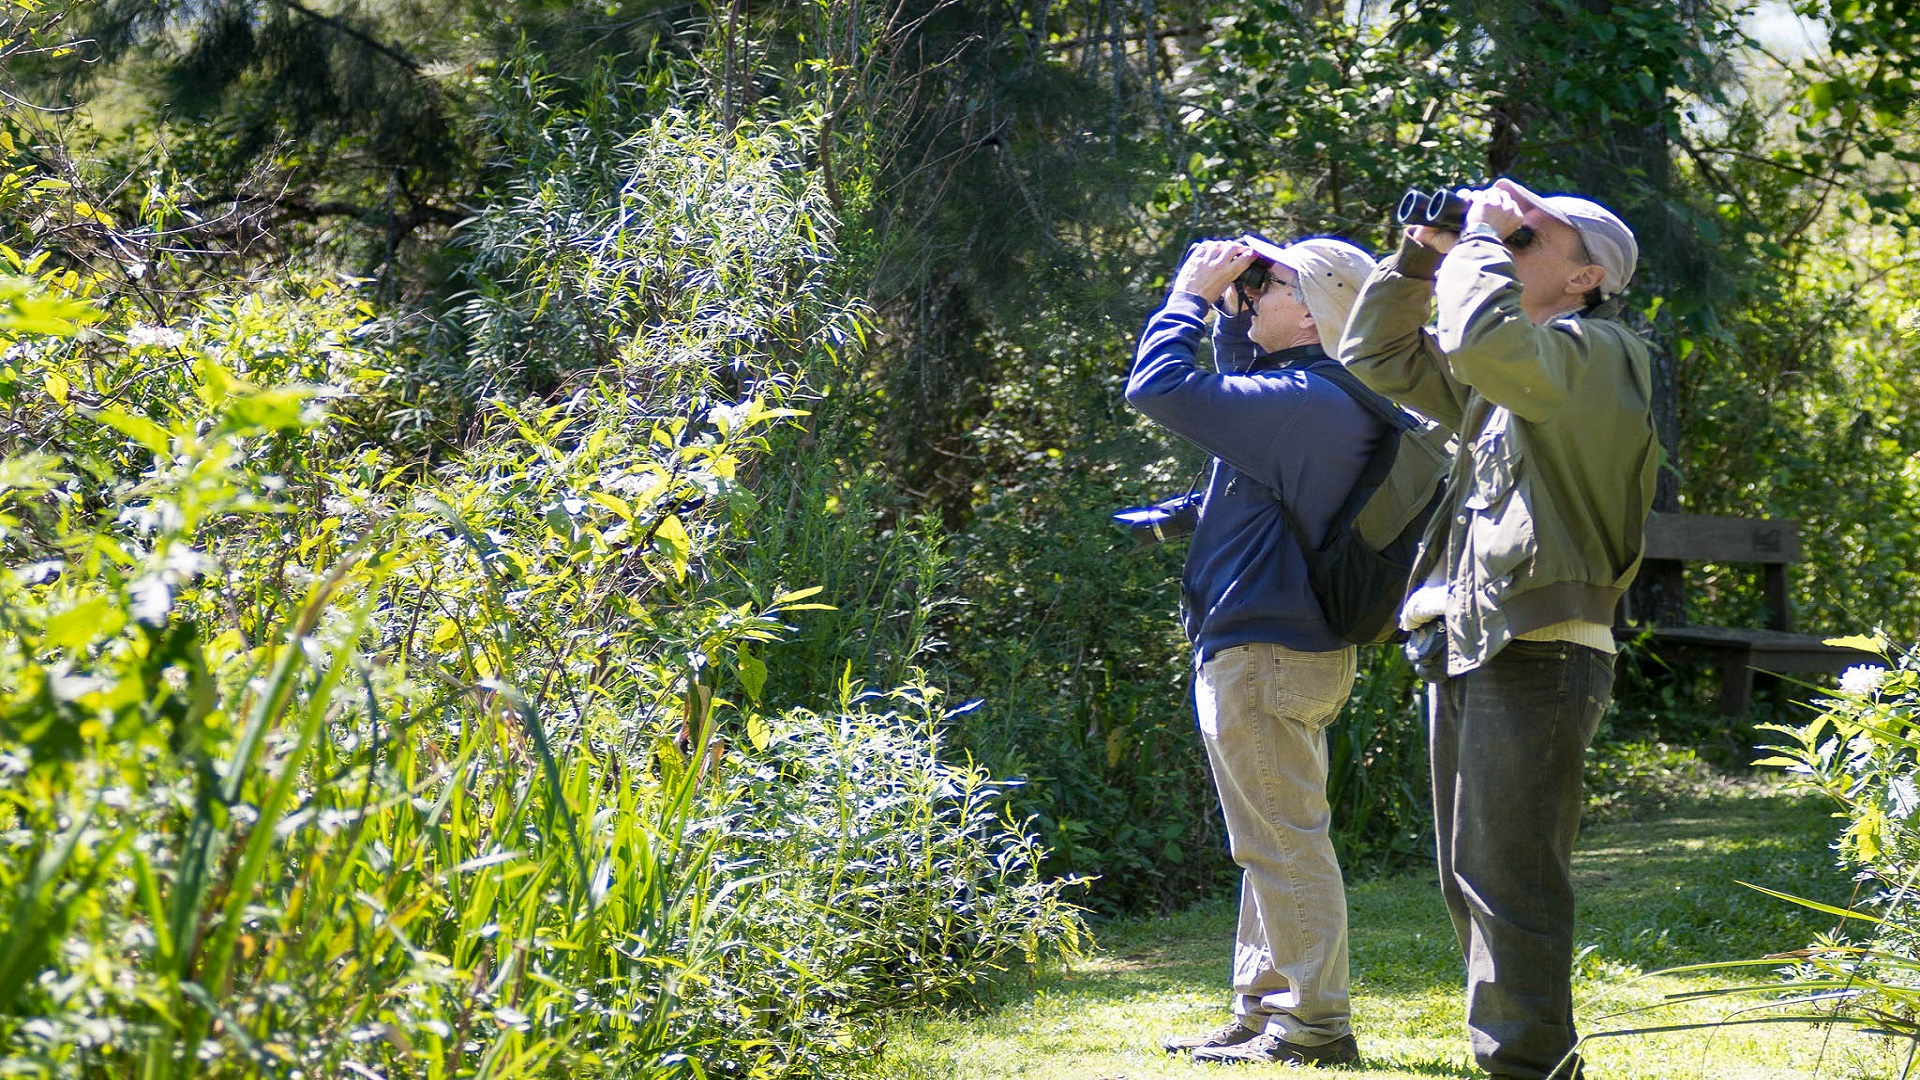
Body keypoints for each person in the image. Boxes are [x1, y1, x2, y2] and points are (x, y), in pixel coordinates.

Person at [1340, 179, 1659, 1079]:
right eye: (1504, 235)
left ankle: (1528, 1068)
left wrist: (1476, 241)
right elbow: (1376, 353)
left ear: (1587, 275)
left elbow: (1477, 342)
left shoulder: (1598, 354)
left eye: (1527, 239)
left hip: (1544, 645)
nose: (1504, 245)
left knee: (1508, 877)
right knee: (1469, 875)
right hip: (1475, 639)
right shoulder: (1516, 369)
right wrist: (1418, 256)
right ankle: (1518, 1060)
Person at [1125, 234, 1383, 1067]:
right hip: (1283, 646)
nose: (1251, 289)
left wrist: (1188, 297)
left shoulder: (1306, 398)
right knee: (1267, 837)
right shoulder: (1314, 392)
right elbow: (1236, 381)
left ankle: (1313, 1025)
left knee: (1281, 840)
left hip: (1267, 651)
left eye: (1269, 282)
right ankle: (1263, 1007)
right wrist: (1237, 312)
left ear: (1311, 312)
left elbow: (1160, 387)